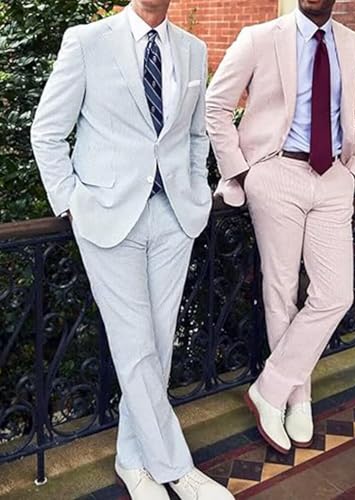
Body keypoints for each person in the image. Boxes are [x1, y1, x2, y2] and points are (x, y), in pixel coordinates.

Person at [31, 1, 234, 499]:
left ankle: (132, 461)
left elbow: (196, 135)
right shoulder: (86, 41)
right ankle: (178, 469)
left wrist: (195, 190)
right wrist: (71, 204)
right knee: (135, 345)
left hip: (173, 216)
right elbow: (47, 132)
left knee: (157, 345)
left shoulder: (192, 49)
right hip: (107, 218)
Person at [206, 0, 355, 454]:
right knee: (280, 291)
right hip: (276, 170)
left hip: (333, 177)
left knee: (336, 294)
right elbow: (216, 105)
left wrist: (353, 172)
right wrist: (242, 171)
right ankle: (297, 398)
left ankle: (271, 388)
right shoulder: (259, 38)